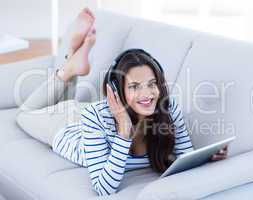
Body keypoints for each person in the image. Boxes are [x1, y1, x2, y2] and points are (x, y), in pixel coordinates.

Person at [16, 8, 228, 196]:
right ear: (117, 91)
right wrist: (124, 132)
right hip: (65, 128)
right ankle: (68, 68)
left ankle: (73, 59)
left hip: (92, 118)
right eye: (135, 86)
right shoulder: (96, 116)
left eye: (152, 84)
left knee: (68, 101)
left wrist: (205, 159)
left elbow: (185, 155)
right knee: (23, 114)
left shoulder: (168, 108)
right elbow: (103, 188)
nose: (147, 94)